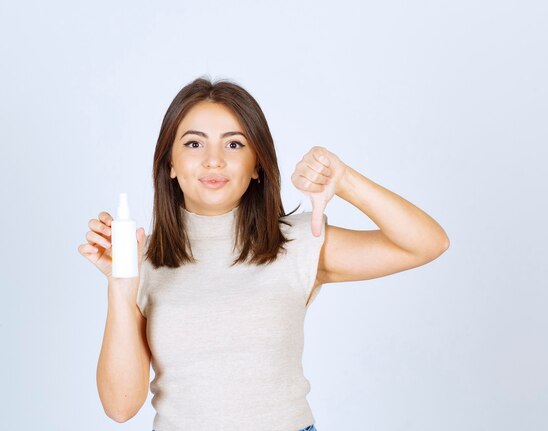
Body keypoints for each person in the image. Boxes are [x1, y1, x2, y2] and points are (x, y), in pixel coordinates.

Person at [78, 76, 450, 431]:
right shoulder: (139, 259)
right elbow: (121, 407)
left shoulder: (296, 242)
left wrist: (345, 180)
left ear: (257, 164)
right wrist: (120, 285)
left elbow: (427, 243)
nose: (213, 159)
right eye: (193, 144)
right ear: (170, 164)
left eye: (234, 144)